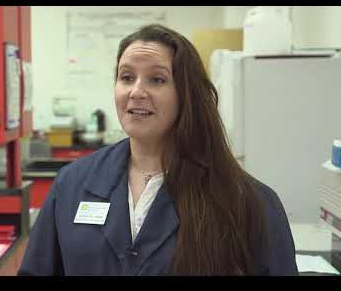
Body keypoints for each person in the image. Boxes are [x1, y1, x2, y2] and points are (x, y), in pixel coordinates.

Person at [18, 24, 298, 276]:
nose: (136, 91)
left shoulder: (247, 201)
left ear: (187, 95)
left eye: (157, 79)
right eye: (126, 77)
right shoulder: (72, 185)